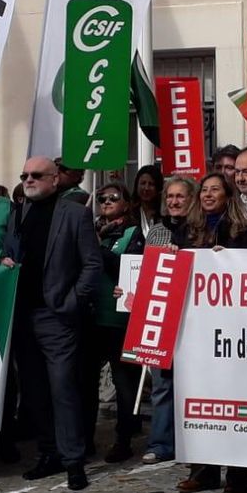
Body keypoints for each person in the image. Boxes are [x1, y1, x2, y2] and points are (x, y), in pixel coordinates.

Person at [2, 157, 101, 491]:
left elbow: (91, 263)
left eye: (36, 175)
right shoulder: (18, 212)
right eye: (24, 175)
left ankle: (74, 460)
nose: (28, 180)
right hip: (22, 314)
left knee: (63, 389)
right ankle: (49, 453)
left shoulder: (75, 213)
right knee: (34, 392)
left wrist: (71, 301)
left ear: (55, 179)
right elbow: (11, 252)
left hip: (56, 315)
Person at [176, 173, 247, 493]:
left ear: (228, 196)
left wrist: (230, 261)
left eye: (215, 190)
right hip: (198, 330)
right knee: (202, 400)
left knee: (238, 402)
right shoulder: (189, 231)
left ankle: (239, 474)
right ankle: (204, 470)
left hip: (237, 329)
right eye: (205, 190)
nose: (208, 195)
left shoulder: (243, 231)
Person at [80, 183, 144, 464]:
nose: (106, 202)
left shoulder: (132, 233)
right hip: (91, 318)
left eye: (114, 198)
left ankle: (124, 439)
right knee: (85, 382)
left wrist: (94, 245)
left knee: (124, 383)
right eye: (102, 198)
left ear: (127, 204)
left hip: (119, 319)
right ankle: (84, 438)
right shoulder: (93, 230)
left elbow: (124, 267)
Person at [140, 175, 198, 465]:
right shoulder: (156, 233)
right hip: (162, 315)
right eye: (171, 196)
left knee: (193, 382)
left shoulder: (200, 231)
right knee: (162, 383)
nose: (174, 202)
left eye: (181, 197)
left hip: (195, 317)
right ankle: (161, 443)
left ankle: (195, 443)